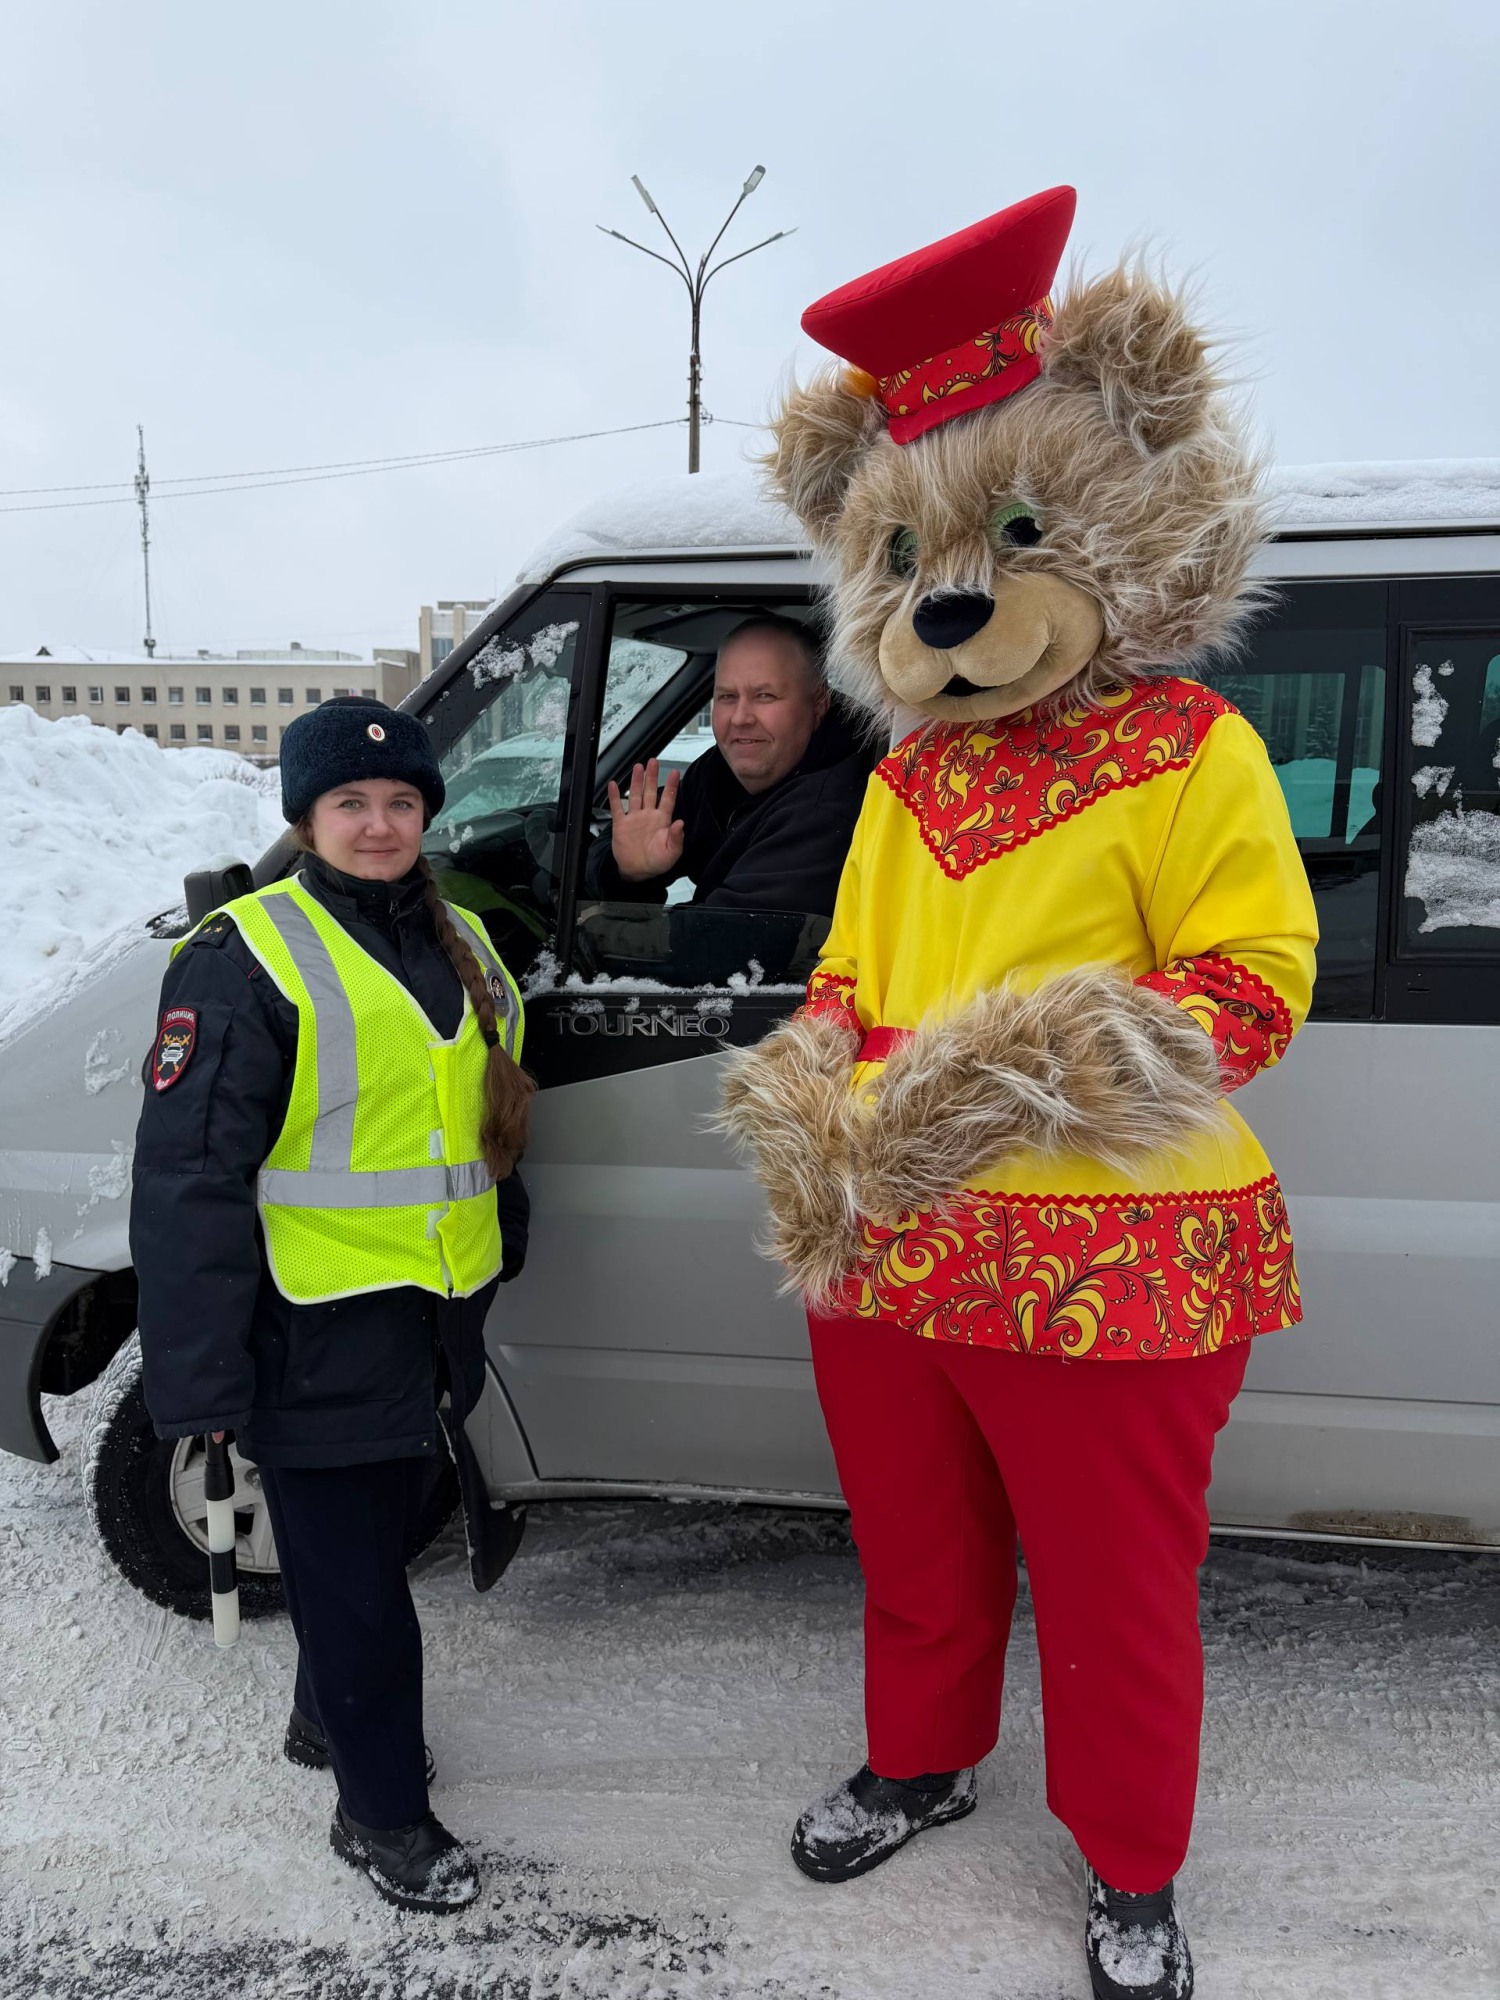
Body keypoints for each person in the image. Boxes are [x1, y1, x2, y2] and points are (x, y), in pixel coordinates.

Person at [131, 696, 532, 1915]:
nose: (377, 823)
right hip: (309, 1325)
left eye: (400, 802)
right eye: (350, 804)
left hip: (431, 1311)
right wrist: (198, 1384)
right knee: (358, 1580)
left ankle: (324, 1711)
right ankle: (379, 1813)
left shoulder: (462, 937)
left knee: (363, 1546)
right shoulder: (242, 951)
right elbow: (189, 1180)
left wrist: (503, 1246)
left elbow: (489, 1115)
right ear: (304, 817)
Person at [584, 614, 870, 917]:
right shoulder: (720, 770)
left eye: (765, 695)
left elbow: (716, 945)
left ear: (819, 703)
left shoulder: (831, 807)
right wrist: (628, 873)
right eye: (727, 696)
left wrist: (599, 934)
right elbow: (632, 838)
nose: (740, 718)